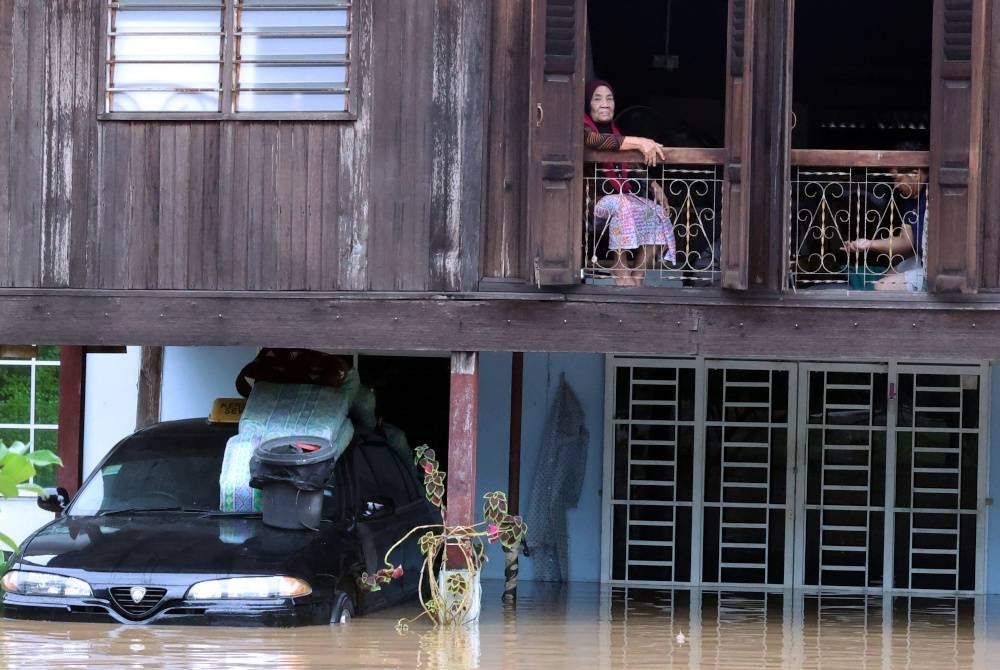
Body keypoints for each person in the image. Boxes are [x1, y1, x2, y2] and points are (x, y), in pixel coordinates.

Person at [585, 80, 676, 287]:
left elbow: (631, 166)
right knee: (622, 205)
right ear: (588, 105)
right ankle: (620, 271)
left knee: (656, 211)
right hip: (593, 204)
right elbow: (598, 141)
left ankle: (638, 274)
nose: (605, 104)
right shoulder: (583, 129)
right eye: (597, 99)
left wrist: (654, 185)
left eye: (609, 98)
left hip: (620, 199)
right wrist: (641, 142)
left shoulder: (617, 131)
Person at [841, 152, 927, 291]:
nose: (895, 186)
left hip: (939, 270)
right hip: (923, 261)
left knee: (881, 287)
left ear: (915, 173)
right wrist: (869, 244)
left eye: (897, 179)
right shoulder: (912, 200)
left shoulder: (936, 193)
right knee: (889, 274)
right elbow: (906, 242)